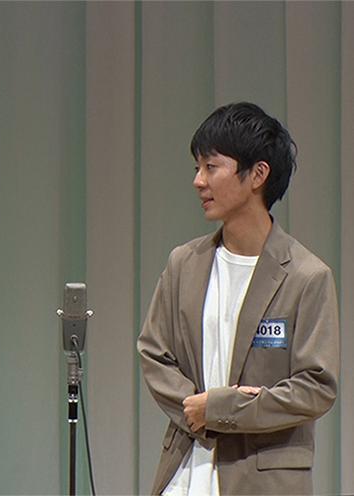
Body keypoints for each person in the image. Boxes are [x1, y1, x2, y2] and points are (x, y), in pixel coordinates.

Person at [137, 102, 339, 495]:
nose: (198, 181)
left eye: (211, 167)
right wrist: (194, 408)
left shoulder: (307, 276)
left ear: (258, 174)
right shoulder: (184, 263)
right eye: (197, 168)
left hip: (264, 480)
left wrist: (220, 409)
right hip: (185, 474)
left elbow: (316, 387)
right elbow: (154, 353)